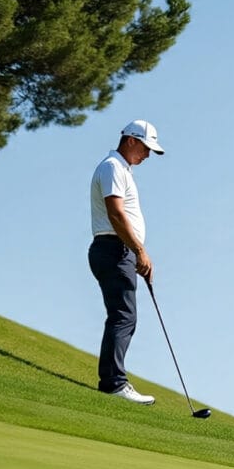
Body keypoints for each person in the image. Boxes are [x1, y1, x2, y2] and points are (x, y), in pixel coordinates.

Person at [88, 119, 165, 404]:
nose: (147, 155)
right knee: (124, 316)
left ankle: (113, 380)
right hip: (113, 248)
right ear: (131, 140)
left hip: (120, 250)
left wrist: (137, 252)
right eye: (146, 148)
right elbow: (116, 214)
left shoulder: (123, 170)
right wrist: (139, 251)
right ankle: (113, 383)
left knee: (124, 316)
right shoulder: (112, 167)